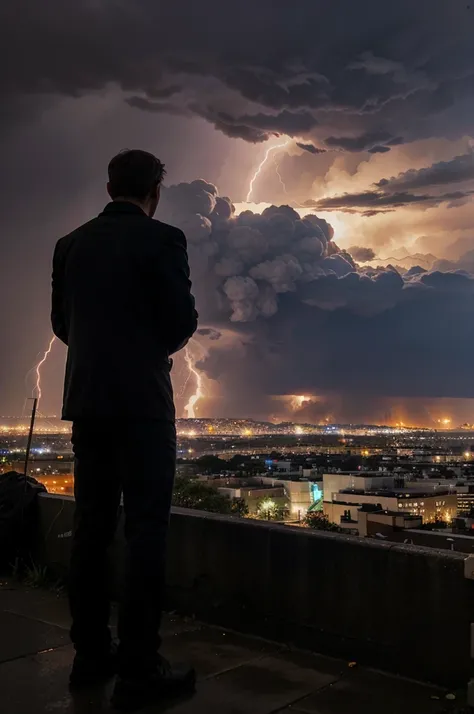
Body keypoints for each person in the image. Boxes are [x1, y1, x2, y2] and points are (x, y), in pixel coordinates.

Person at [51, 149, 198, 710]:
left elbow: (61, 324)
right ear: (153, 193)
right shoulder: (164, 240)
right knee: (146, 534)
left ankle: (89, 657)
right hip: (142, 406)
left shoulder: (70, 244)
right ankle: (140, 666)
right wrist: (141, 350)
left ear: (109, 186)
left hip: (86, 403)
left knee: (90, 528)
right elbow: (180, 321)